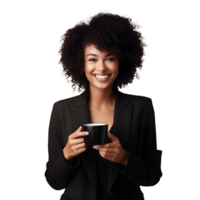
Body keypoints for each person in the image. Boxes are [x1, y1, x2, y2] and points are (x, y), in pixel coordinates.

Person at [43, 9, 164, 200]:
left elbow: (153, 177)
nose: (101, 67)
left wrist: (124, 158)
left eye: (110, 58)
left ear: (121, 62)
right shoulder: (61, 110)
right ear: (80, 63)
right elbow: (53, 182)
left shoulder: (143, 107)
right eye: (93, 59)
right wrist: (66, 155)